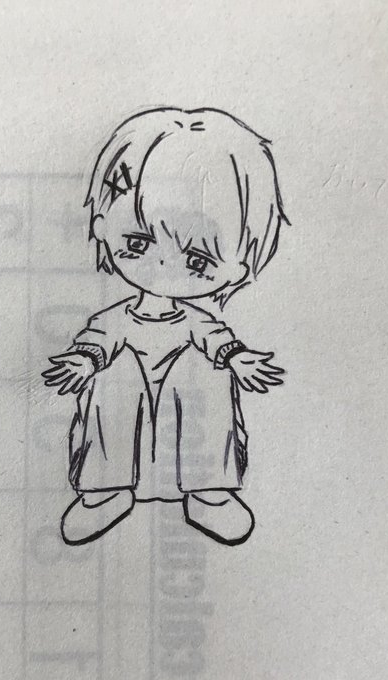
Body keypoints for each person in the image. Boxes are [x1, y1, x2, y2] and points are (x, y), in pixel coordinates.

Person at [42, 107, 289, 546]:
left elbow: (215, 340)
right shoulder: (117, 318)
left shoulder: (196, 320)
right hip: (124, 419)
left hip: (185, 420)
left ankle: (211, 490)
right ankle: (104, 490)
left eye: (197, 261)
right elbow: (101, 339)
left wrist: (238, 359)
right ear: (103, 225)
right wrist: (85, 361)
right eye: (138, 242)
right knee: (113, 374)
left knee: (208, 372)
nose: (161, 265)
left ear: (236, 268)